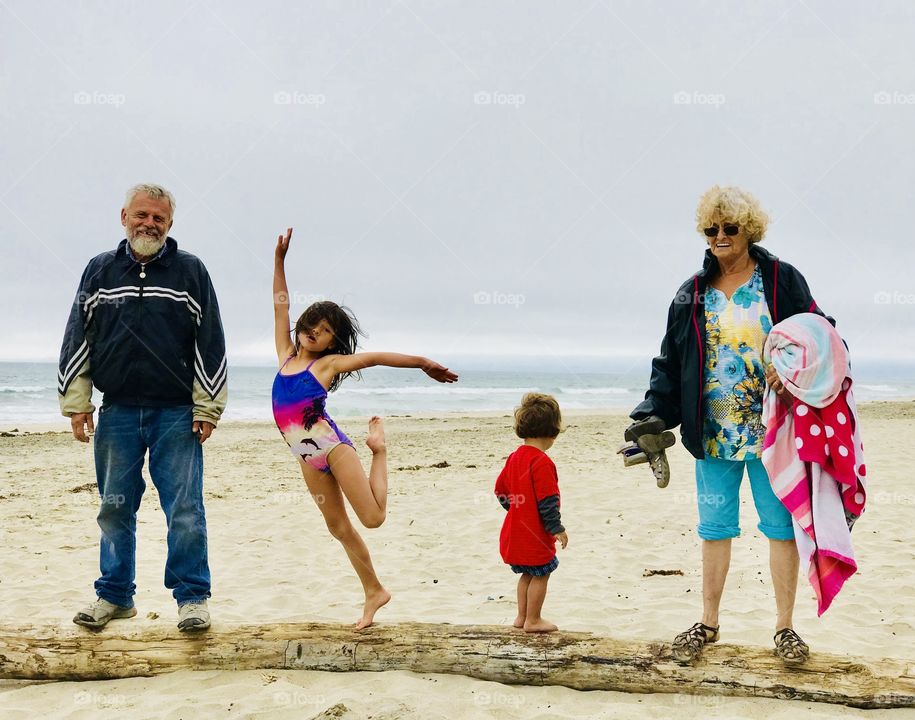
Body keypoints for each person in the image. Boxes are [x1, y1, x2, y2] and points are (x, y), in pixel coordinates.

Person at [629, 185, 837, 665]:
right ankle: (709, 622)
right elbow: (671, 360)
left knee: (781, 528)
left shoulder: (781, 279)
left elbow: (819, 333)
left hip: (775, 433)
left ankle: (785, 628)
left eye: (729, 228)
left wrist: (797, 378)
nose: (719, 236)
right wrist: (650, 414)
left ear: (749, 230)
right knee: (714, 528)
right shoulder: (691, 292)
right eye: (711, 229)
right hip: (713, 431)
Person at [59, 183, 227, 632]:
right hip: (116, 412)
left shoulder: (190, 270)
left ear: (170, 225)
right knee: (114, 507)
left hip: (175, 412)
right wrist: (78, 403)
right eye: (142, 215)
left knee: (185, 509)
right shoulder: (100, 269)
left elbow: (210, 339)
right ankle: (114, 596)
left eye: (159, 218)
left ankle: (192, 599)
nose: (149, 223)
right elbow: (79, 334)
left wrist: (206, 406)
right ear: (124, 216)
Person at [272, 228, 458, 629]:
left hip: (332, 447)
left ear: (331, 343)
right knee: (337, 527)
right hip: (305, 456)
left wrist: (423, 362)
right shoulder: (285, 354)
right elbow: (279, 307)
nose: (312, 331)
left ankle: (379, 451)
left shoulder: (326, 366)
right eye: (311, 324)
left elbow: (374, 357)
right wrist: (279, 262)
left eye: (323, 331)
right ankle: (374, 590)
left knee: (372, 519)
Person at [495, 393, 569, 633]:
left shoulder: (515, 457)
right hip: (534, 535)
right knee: (542, 573)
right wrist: (556, 528)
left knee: (527, 574)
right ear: (553, 431)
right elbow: (548, 501)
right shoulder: (542, 462)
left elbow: (501, 491)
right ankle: (533, 620)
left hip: (514, 532)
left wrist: (517, 509)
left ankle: (521, 617)